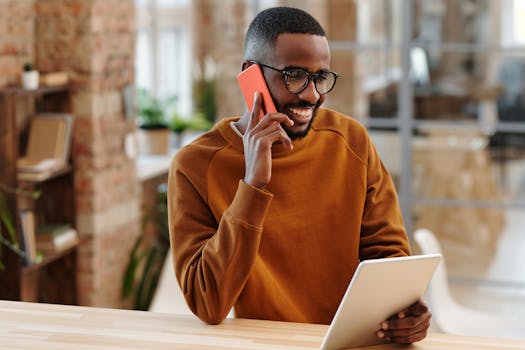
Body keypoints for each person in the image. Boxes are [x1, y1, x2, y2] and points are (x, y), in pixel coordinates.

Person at [168, 6, 431, 344]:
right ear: (252, 75)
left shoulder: (350, 141)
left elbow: (388, 257)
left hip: (352, 342)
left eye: (321, 77)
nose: (311, 94)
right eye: (293, 75)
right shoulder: (194, 166)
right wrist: (253, 185)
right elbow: (208, 303)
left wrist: (405, 312)